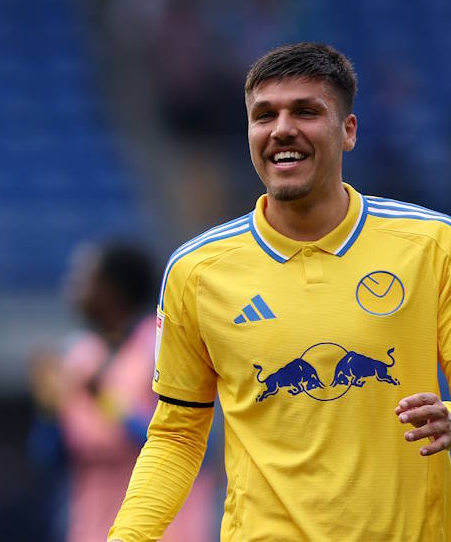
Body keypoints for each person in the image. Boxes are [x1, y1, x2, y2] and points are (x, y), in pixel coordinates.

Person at [109, 42, 451, 541]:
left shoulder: (432, 246)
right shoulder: (197, 270)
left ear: (348, 131)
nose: (282, 129)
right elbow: (177, 436)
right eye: (263, 115)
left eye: (306, 112)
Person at [30, 242, 217, 542]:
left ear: (113, 289)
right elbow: (46, 458)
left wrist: (106, 400)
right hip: (93, 525)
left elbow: (184, 443)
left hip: (165, 526)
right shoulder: (78, 354)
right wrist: (49, 410)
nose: (72, 289)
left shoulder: (160, 344)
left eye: (83, 280)